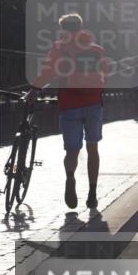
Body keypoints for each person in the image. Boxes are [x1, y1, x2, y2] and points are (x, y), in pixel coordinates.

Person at [24, 13, 108, 210]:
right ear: (80, 27)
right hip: (93, 103)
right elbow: (104, 75)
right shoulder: (97, 49)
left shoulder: (60, 49)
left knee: (72, 150)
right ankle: (92, 194)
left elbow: (48, 71)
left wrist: (35, 89)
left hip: (69, 103)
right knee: (92, 147)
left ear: (64, 29)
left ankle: (70, 177)